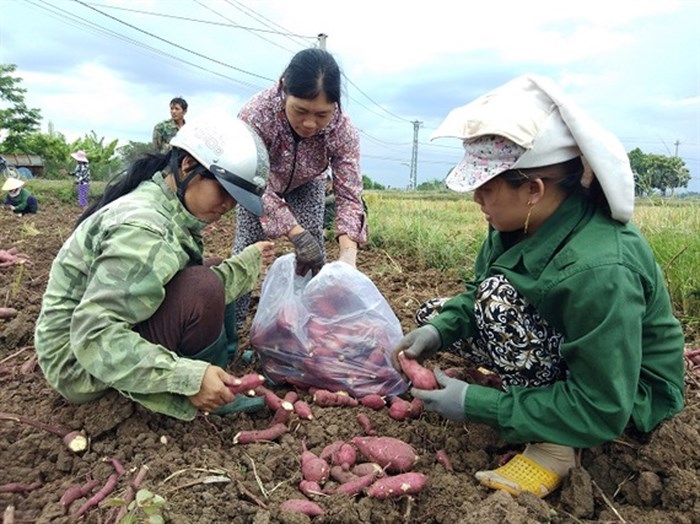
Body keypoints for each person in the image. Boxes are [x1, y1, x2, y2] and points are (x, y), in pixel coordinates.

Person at [394, 75, 685, 498]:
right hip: (570, 348)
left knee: (497, 304)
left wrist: (477, 404)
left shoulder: (600, 268)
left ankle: (556, 444)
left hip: (624, 391)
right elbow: (475, 293)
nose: (477, 198)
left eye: (486, 187)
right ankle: (531, 396)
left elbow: (602, 404)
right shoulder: (519, 224)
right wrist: (440, 329)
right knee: (436, 314)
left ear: (533, 189)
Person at [34, 118, 276, 420]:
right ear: (188, 166)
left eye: (236, 199)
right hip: (80, 365)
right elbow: (94, 335)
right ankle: (211, 393)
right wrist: (186, 378)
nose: (228, 205)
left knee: (209, 271)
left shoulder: (165, 202)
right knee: (203, 286)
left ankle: (221, 370)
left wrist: (247, 263)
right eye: (224, 191)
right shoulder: (143, 231)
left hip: (84, 345)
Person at [231, 47, 367, 332]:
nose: (310, 123)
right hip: (258, 184)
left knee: (313, 253)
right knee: (247, 252)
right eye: (300, 110)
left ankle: (310, 328)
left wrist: (348, 255)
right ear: (283, 89)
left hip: (308, 183)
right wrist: (294, 232)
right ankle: (230, 331)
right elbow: (249, 180)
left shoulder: (342, 131)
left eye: (322, 114)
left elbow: (349, 194)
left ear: (335, 107)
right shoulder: (256, 114)